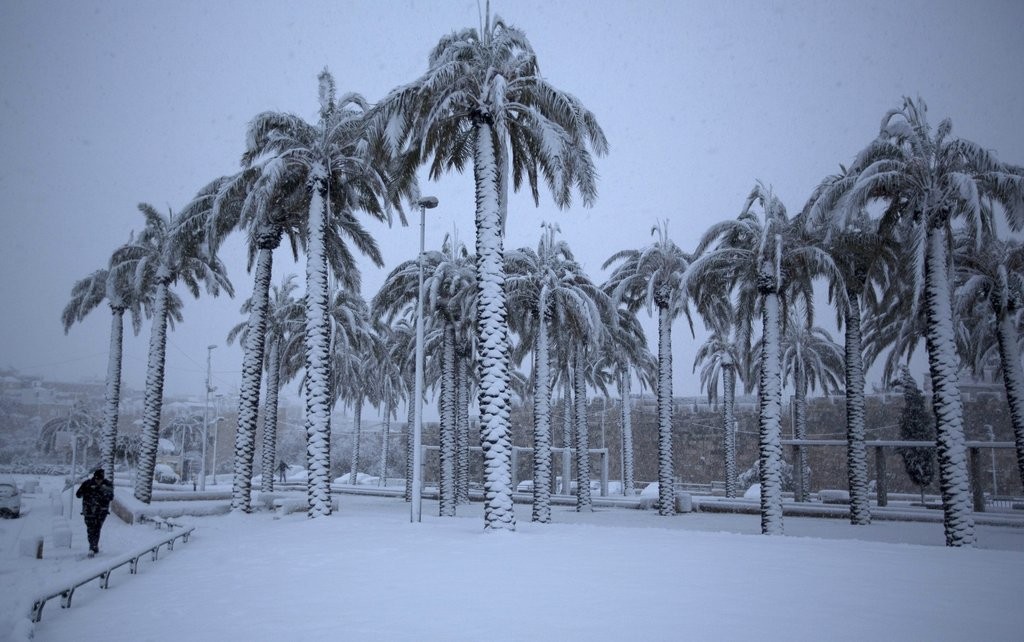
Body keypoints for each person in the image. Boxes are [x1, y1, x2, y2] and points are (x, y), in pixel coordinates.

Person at [76, 468, 114, 557]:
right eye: (97, 479)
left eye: (100, 479)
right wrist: (87, 490)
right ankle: (93, 546)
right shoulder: (87, 483)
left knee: (97, 529)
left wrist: (101, 489)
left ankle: (92, 547)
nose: (98, 481)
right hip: (88, 510)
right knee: (90, 529)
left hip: (101, 512)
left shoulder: (107, 484)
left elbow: (111, 497)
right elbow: (78, 495)